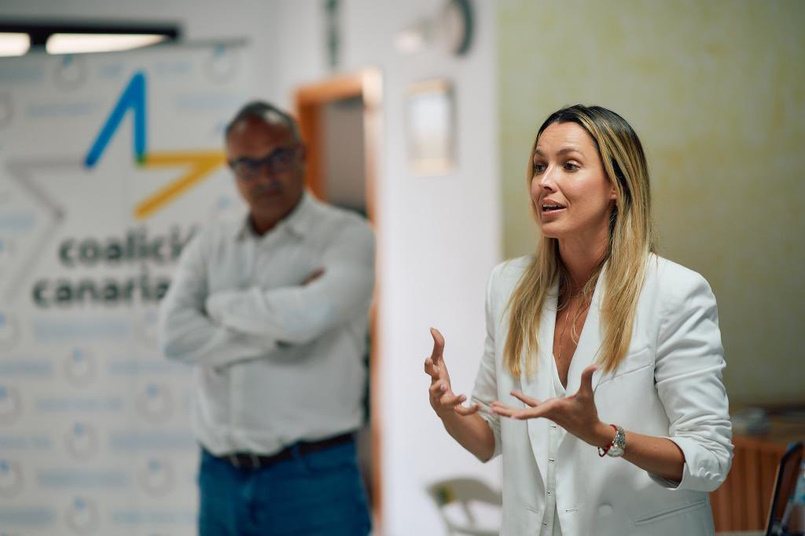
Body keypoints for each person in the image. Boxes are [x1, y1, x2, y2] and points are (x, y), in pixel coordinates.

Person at [425, 105, 732, 535]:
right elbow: (490, 436)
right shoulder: (508, 286)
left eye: (569, 165)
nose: (544, 182)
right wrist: (448, 412)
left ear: (617, 187)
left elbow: (711, 458)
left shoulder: (675, 293)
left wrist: (606, 435)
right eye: (538, 166)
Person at [158, 101, 374, 535]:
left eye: (277, 158)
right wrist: (276, 329)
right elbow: (174, 335)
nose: (265, 176)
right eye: (248, 165)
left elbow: (308, 319)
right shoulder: (211, 243)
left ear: (302, 154)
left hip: (313, 478)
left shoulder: (347, 235)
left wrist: (219, 307)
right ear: (232, 169)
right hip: (221, 476)